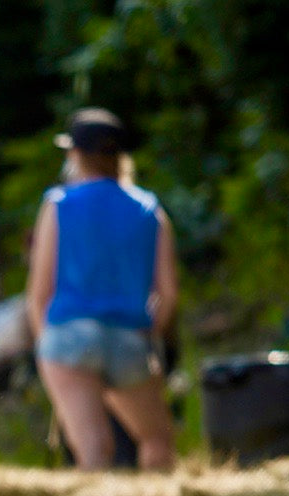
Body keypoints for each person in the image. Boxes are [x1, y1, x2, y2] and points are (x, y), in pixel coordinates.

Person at [25, 108, 179, 472]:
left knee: (94, 451)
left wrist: (46, 347)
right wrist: (148, 334)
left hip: (68, 341)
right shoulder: (149, 209)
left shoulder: (58, 204)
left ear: (74, 155)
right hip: (130, 341)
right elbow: (168, 294)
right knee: (157, 441)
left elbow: (38, 294)